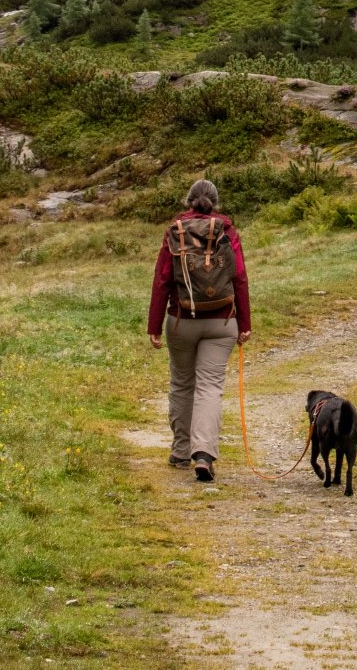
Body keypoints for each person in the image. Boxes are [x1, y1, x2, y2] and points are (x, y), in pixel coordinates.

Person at [146, 178, 251, 483]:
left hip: (181, 321)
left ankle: (180, 452)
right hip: (222, 323)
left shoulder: (175, 232)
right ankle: (203, 454)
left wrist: (154, 326)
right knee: (210, 386)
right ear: (215, 203)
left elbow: (162, 281)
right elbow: (239, 278)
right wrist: (244, 323)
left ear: (188, 201)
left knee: (182, 383)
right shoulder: (227, 232)